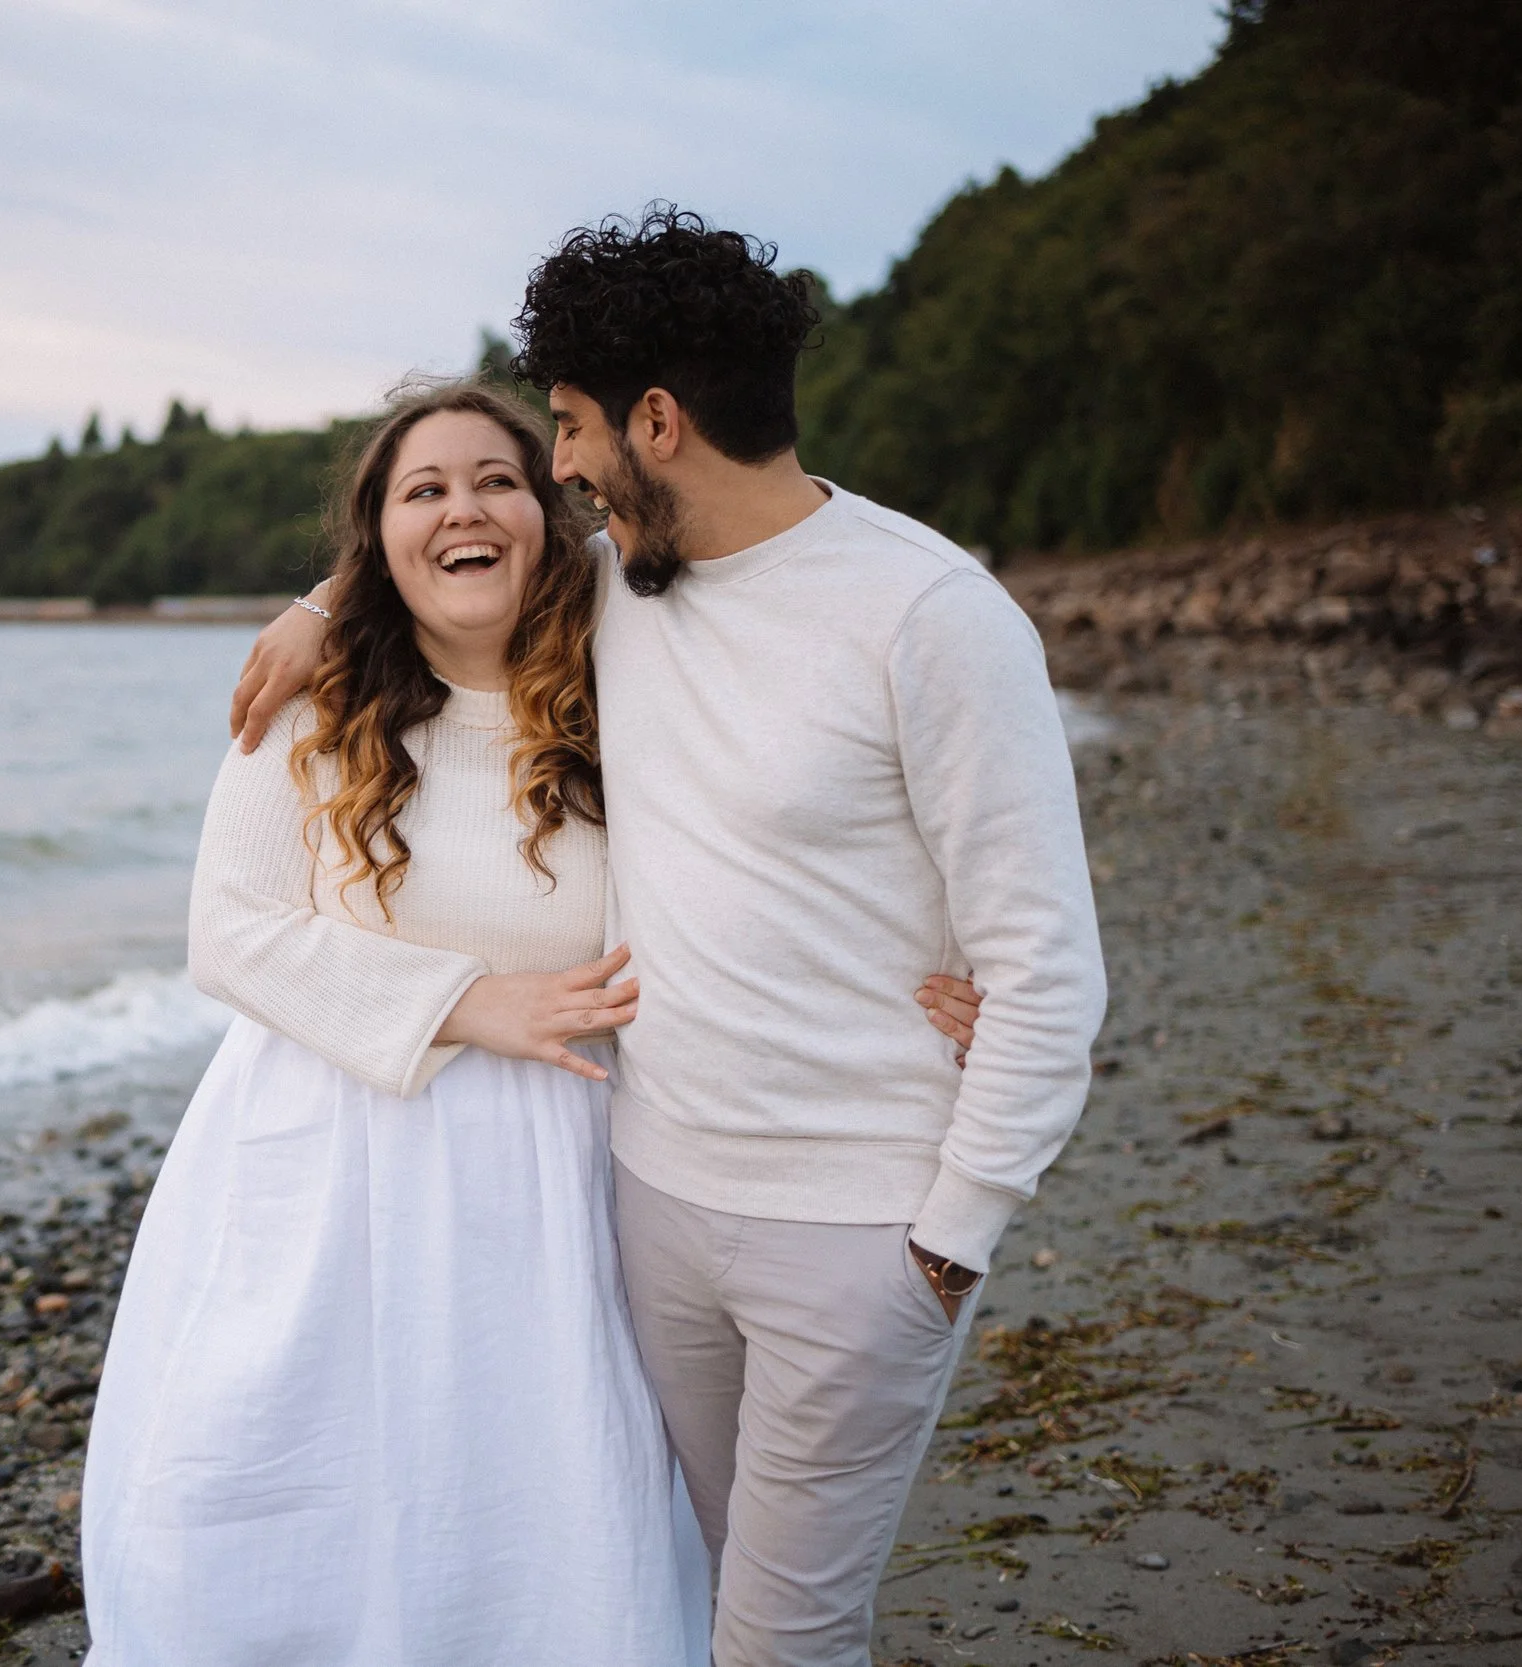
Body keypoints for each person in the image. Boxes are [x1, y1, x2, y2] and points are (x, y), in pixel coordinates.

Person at [231, 208, 1107, 1667]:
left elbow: (1046, 963)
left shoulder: (932, 615)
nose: (562, 466)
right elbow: (459, 545)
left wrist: (950, 1238)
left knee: (783, 1637)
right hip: (647, 1199)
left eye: (571, 427)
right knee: (683, 1589)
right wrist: (323, 605)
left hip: (858, 1226)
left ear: (658, 419)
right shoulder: (616, 584)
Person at [80, 379, 985, 1665]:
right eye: (423, 490)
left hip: (563, 1172)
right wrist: (467, 1002)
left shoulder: (627, 667)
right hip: (335, 1157)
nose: (464, 508)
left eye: (496, 479)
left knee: (539, 1500)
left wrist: (939, 957)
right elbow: (229, 930)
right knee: (281, 1487)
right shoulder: (314, 704)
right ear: (376, 537)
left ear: (552, 513)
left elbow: (790, 816)